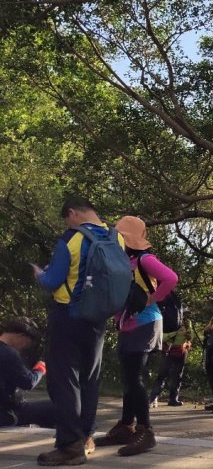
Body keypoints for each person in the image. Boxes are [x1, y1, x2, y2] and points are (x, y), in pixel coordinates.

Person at [32, 195, 127, 465]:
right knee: (90, 378)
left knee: (64, 382)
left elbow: (53, 281)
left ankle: (69, 444)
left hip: (68, 316)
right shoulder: (116, 238)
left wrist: (40, 273)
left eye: (67, 218)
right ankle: (86, 436)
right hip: (98, 318)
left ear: (72, 213)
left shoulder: (72, 239)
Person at [93, 216, 178, 456]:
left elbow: (170, 278)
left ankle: (145, 431)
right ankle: (126, 426)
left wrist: (153, 299)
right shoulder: (125, 261)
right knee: (129, 378)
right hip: (129, 326)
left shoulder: (144, 259)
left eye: (120, 235)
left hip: (146, 324)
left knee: (135, 378)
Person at [0, 317, 55, 429]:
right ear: (21, 336)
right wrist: (40, 368)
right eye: (27, 343)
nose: (25, 347)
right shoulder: (9, 354)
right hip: (8, 413)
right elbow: (28, 382)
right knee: (59, 407)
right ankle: (71, 442)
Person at [149, 310, 194, 407]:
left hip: (181, 351)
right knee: (162, 375)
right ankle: (153, 398)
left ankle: (173, 398)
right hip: (168, 350)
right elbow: (161, 337)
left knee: (177, 376)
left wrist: (188, 334)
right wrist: (175, 333)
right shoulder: (167, 322)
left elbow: (190, 337)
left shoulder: (187, 323)